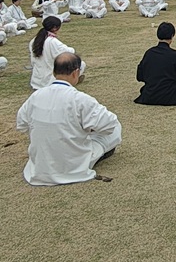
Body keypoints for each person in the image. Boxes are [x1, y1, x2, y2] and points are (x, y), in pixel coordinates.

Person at [17, 52, 121, 185]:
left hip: (40, 166)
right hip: (73, 164)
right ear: (75, 72)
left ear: (54, 72)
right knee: (116, 127)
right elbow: (109, 124)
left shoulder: (36, 96)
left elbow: (21, 124)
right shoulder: (80, 99)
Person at [134, 22, 176, 105]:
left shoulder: (149, 53)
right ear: (172, 35)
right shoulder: (174, 54)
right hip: (170, 96)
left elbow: (139, 76)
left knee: (147, 87)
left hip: (150, 95)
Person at [29, 16, 83, 91]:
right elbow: (69, 52)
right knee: (80, 64)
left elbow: (33, 62)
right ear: (55, 28)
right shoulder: (52, 42)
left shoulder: (33, 41)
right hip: (49, 82)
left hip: (36, 81)